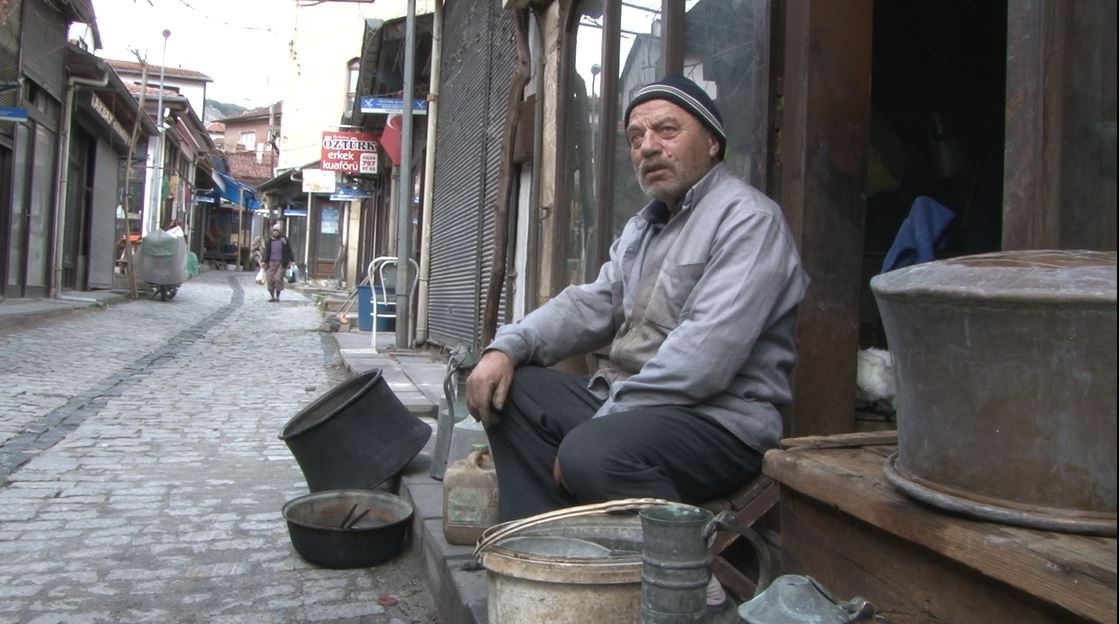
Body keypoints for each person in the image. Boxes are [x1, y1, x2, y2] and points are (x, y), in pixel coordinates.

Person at [465, 74, 809, 617]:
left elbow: (704, 360)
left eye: (667, 130)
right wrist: (505, 347)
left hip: (718, 423)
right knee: (516, 391)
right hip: (633, 408)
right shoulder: (644, 229)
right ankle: (549, 555)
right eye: (634, 137)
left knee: (592, 450)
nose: (647, 146)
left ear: (712, 142)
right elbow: (589, 305)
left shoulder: (749, 220)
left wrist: (602, 421)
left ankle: (688, 572)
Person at [260, 223, 295, 301]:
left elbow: (289, 250)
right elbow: (267, 252)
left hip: (281, 263)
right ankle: (272, 296)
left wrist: (292, 260)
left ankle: (277, 296)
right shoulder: (270, 240)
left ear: (280, 231)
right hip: (271, 263)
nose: (275, 232)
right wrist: (264, 261)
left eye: (277, 231)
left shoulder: (283, 239)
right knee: (270, 279)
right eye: (274, 231)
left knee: (278, 278)